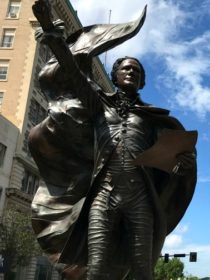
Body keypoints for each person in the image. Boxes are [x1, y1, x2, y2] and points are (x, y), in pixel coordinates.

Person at [28, 1, 197, 279]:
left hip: (139, 196)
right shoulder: (98, 105)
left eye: (137, 72)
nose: (131, 72)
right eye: (126, 69)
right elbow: (72, 71)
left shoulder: (152, 120)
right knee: (95, 268)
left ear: (142, 83)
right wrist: (50, 30)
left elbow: (170, 167)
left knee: (143, 269)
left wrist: (184, 165)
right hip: (102, 195)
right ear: (115, 77)